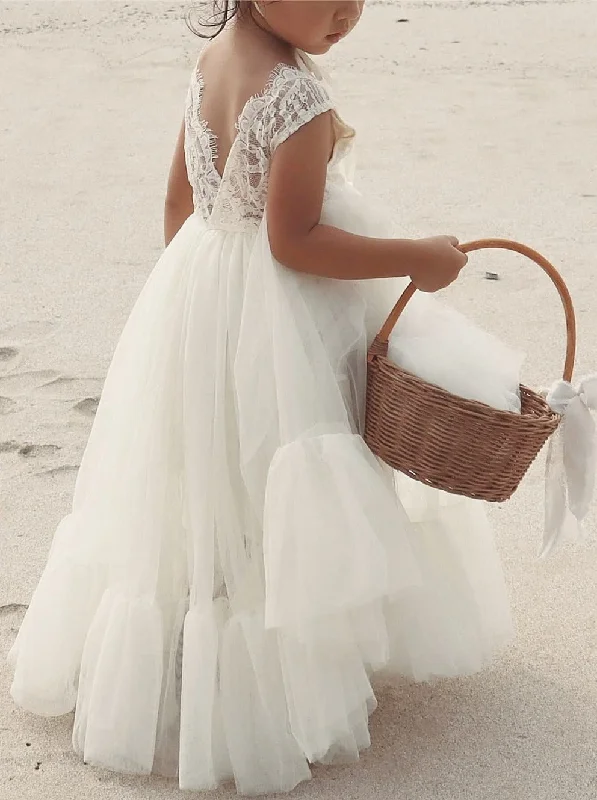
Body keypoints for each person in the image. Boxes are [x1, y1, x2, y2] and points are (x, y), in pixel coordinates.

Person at [8, 2, 513, 794]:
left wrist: (193, 317)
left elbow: (179, 202)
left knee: (207, 476)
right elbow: (295, 240)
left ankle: (183, 650)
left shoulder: (209, 64)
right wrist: (415, 257)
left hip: (201, 292)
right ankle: (271, 688)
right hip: (273, 315)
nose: (346, 13)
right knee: (280, 476)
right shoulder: (297, 99)